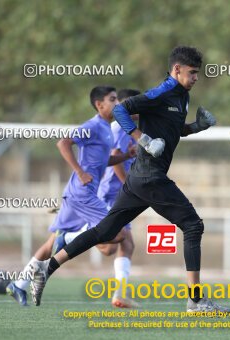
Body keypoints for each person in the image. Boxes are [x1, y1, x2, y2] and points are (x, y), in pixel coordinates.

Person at [30, 46, 230, 313]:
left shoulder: (182, 97)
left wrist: (196, 126)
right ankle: (195, 300)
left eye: (198, 74)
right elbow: (121, 111)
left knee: (104, 232)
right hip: (150, 177)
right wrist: (141, 139)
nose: (196, 78)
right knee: (193, 226)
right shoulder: (162, 92)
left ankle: (46, 267)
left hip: (140, 178)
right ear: (176, 70)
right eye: (192, 73)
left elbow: (172, 129)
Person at [6, 86, 136, 306]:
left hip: (76, 194)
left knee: (50, 245)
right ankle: (66, 239)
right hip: (83, 194)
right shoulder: (93, 126)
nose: (117, 104)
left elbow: (103, 161)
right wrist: (80, 171)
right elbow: (63, 142)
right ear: (99, 104)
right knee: (119, 234)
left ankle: (18, 284)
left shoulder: (105, 129)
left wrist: (125, 156)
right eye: (112, 99)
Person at [97, 88, 140, 307]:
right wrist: (128, 187)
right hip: (109, 194)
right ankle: (79, 229)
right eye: (133, 107)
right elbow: (115, 160)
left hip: (119, 196)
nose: (138, 111)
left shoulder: (131, 129)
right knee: (112, 245)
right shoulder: (119, 128)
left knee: (124, 245)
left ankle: (119, 295)